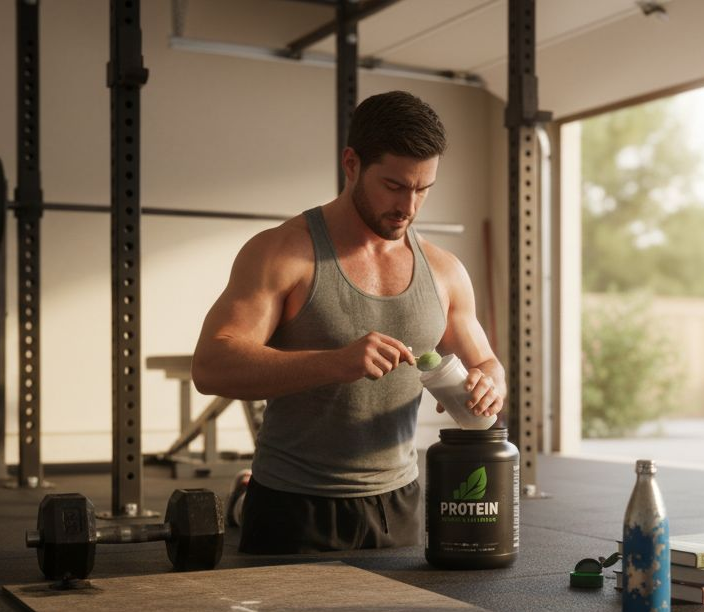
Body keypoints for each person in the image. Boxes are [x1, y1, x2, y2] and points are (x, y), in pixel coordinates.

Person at [191, 91, 506, 555]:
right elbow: (212, 365)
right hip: (293, 503)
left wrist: (489, 383)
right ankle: (243, 493)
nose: (409, 206)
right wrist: (335, 362)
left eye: (423, 189)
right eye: (395, 186)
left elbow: (486, 361)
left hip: (398, 504)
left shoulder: (445, 271)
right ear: (352, 163)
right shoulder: (283, 251)